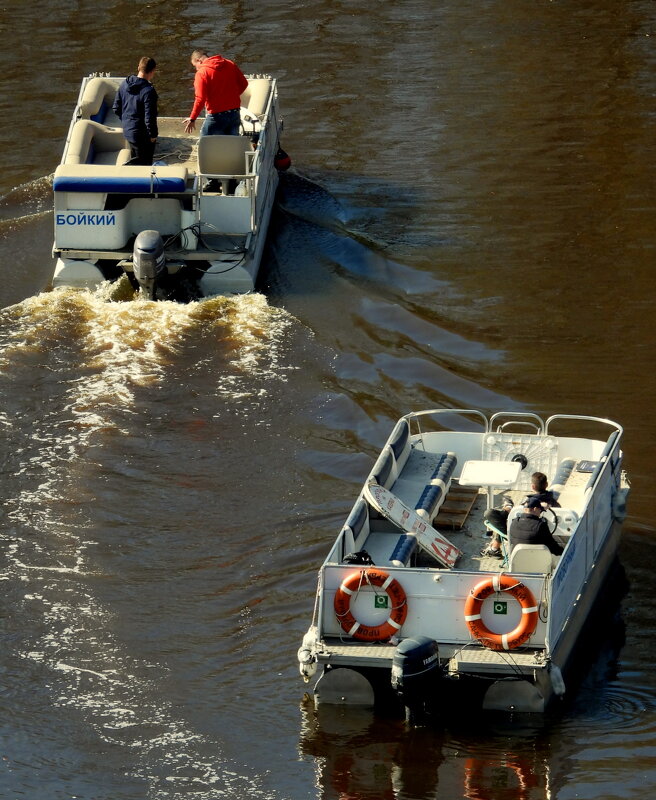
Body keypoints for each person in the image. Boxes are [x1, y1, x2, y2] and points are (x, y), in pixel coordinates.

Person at [481, 472, 560, 558]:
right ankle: (494, 547)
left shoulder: (529, 502)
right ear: (547, 484)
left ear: (532, 486)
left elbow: (517, 516)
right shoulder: (554, 504)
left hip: (519, 534)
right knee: (505, 518)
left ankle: (508, 507)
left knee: (492, 514)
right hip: (548, 534)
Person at [183, 48, 248, 136]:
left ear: (199, 60)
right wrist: (231, 96)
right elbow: (244, 83)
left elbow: (200, 99)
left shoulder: (202, 73)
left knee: (206, 144)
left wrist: (192, 118)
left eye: (195, 66)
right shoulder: (230, 64)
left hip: (216, 116)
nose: (196, 69)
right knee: (231, 144)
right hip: (234, 113)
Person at [113, 57, 158, 166]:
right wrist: (153, 135)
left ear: (138, 67)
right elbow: (149, 117)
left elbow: (116, 108)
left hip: (128, 130)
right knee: (144, 164)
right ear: (152, 72)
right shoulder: (148, 91)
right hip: (142, 135)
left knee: (136, 158)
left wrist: (126, 121)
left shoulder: (125, 83)